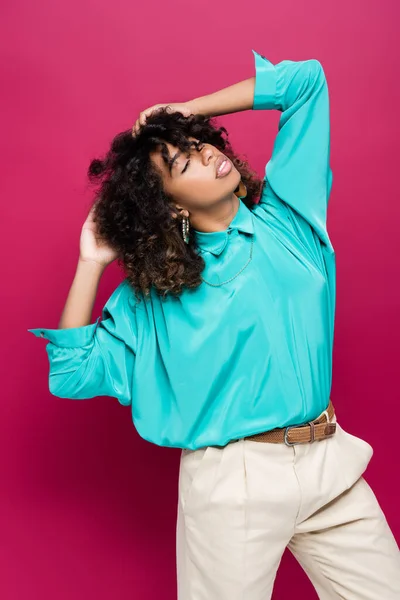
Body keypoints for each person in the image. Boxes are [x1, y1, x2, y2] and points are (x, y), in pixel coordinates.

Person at [28, 49, 400, 599]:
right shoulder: (156, 297)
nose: (204, 156)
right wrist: (90, 261)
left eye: (199, 144)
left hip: (329, 462)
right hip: (234, 487)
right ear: (170, 206)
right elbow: (73, 372)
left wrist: (181, 109)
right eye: (182, 164)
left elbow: (305, 81)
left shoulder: (289, 217)